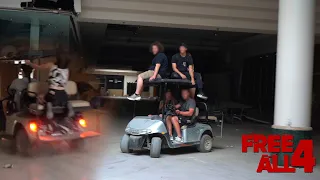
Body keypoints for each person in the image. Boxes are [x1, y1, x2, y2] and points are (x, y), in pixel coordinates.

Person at [26, 47, 74, 119]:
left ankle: (49, 105)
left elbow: (38, 67)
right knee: (64, 102)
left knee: (41, 98)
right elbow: (64, 81)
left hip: (52, 93)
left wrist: (29, 63)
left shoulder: (51, 65)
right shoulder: (67, 70)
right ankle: (68, 105)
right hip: (63, 94)